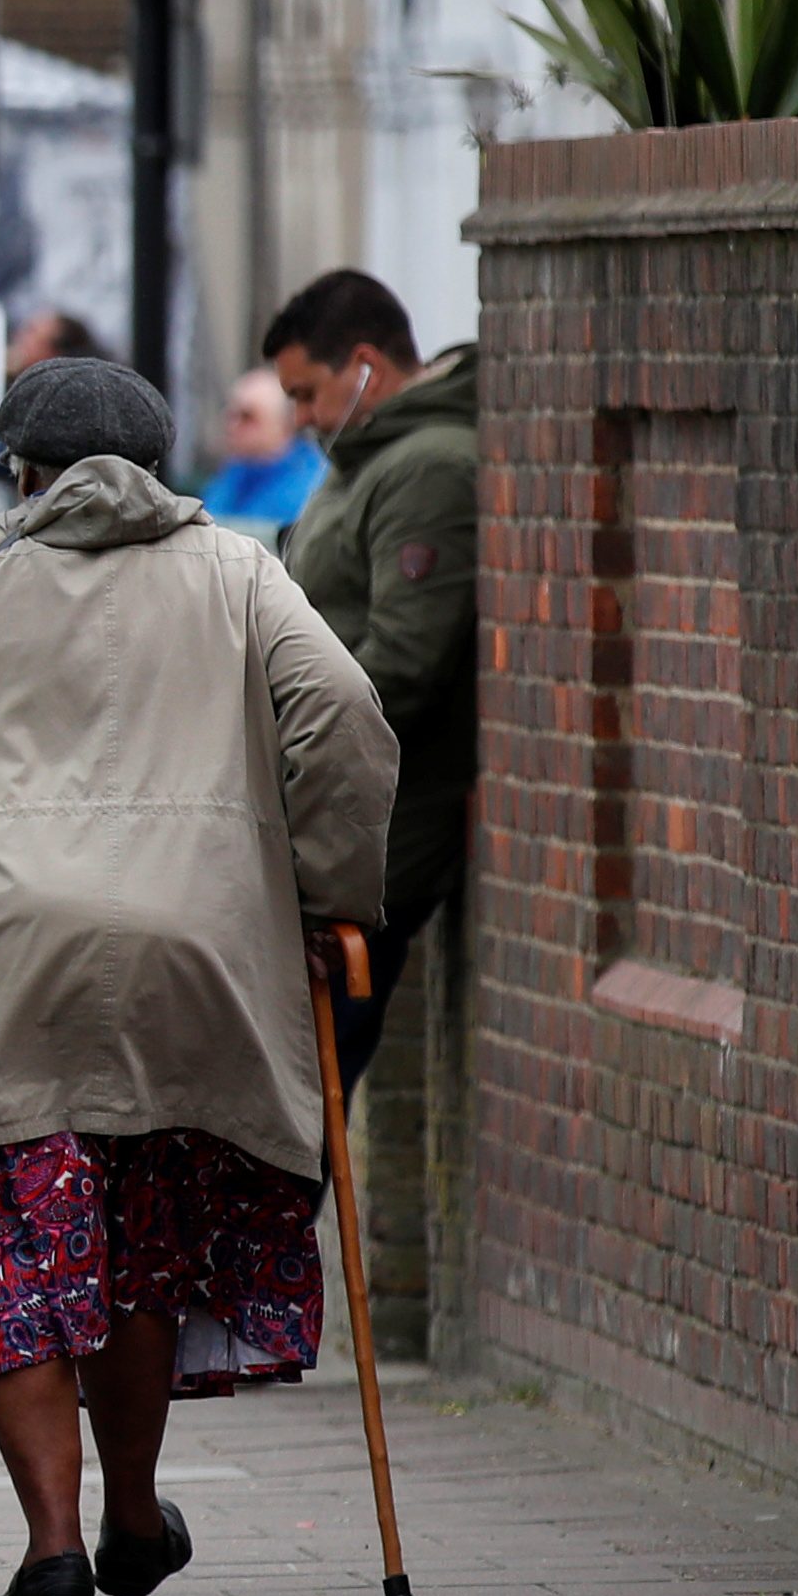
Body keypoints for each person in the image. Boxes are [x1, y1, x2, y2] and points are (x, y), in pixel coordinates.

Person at [0, 357, 397, 1596]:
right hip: (189, 950)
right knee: (138, 1237)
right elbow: (348, 718)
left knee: (18, 1235)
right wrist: (324, 896)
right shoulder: (241, 569)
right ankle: (133, 1513)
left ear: (22, 467)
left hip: (1, 946)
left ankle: (51, 1548)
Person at [262, 267, 475, 1092]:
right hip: (324, 809)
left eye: (307, 392)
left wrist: (275, 733)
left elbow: (400, 664)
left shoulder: (426, 468)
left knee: (302, 1081)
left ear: (362, 364)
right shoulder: (364, 460)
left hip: (370, 836)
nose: (303, 418)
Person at [198, 366, 326, 534]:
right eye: (230, 413)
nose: (231, 425)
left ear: (284, 425)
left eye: (247, 417)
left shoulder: (312, 488)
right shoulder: (230, 475)